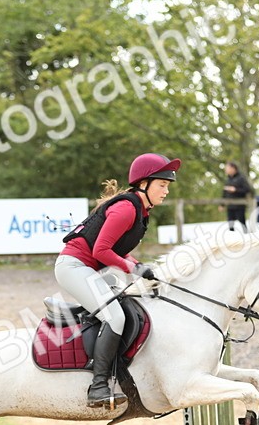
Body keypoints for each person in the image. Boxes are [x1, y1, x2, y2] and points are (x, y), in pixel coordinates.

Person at [58, 152, 179, 409]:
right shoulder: (126, 208)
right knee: (116, 316)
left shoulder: (140, 210)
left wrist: (138, 266)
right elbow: (100, 251)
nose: (166, 191)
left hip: (91, 269)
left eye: (167, 186)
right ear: (143, 184)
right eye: (162, 185)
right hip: (74, 266)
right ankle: (98, 386)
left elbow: (117, 250)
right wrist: (133, 269)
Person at [222, 161, 252, 234]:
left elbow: (247, 189)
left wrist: (235, 190)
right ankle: (231, 240)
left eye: (227, 168)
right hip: (230, 206)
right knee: (230, 224)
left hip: (239, 205)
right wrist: (222, 204)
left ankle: (247, 237)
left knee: (242, 223)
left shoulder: (241, 178)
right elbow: (224, 193)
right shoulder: (228, 179)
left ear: (233, 168)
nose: (226, 170)